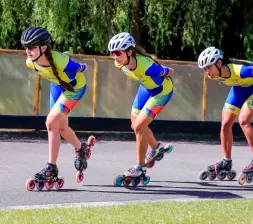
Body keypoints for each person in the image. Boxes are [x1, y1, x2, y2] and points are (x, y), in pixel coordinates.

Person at [22, 27, 94, 190]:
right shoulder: (30, 63)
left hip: (74, 88)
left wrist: (81, 67)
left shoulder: (60, 60)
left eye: (32, 47)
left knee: (50, 123)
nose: (28, 51)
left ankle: (51, 167)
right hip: (58, 86)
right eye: (26, 47)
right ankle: (81, 149)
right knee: (60, 127)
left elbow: (81, 68)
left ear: (44, 47)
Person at [197, 47, 253, 185]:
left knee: (243, 121)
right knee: (225, 124)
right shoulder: (217, 72)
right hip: (240, 87)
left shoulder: (240, 70)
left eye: (208, 68)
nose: (207, 72)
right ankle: (226, 161)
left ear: (219, 63)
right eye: (204, 69)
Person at [108, 32, 174, 180]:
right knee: (135, 125)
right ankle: (156, 148)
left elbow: (165, 71)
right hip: (145, 88)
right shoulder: (118, 63)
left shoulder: (145, 65)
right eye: (112, 53)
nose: (114, 56)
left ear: (130, 52)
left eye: (117, 53)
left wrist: (168, 70)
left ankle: (139, 167)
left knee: (139, 127)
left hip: (161, 91)